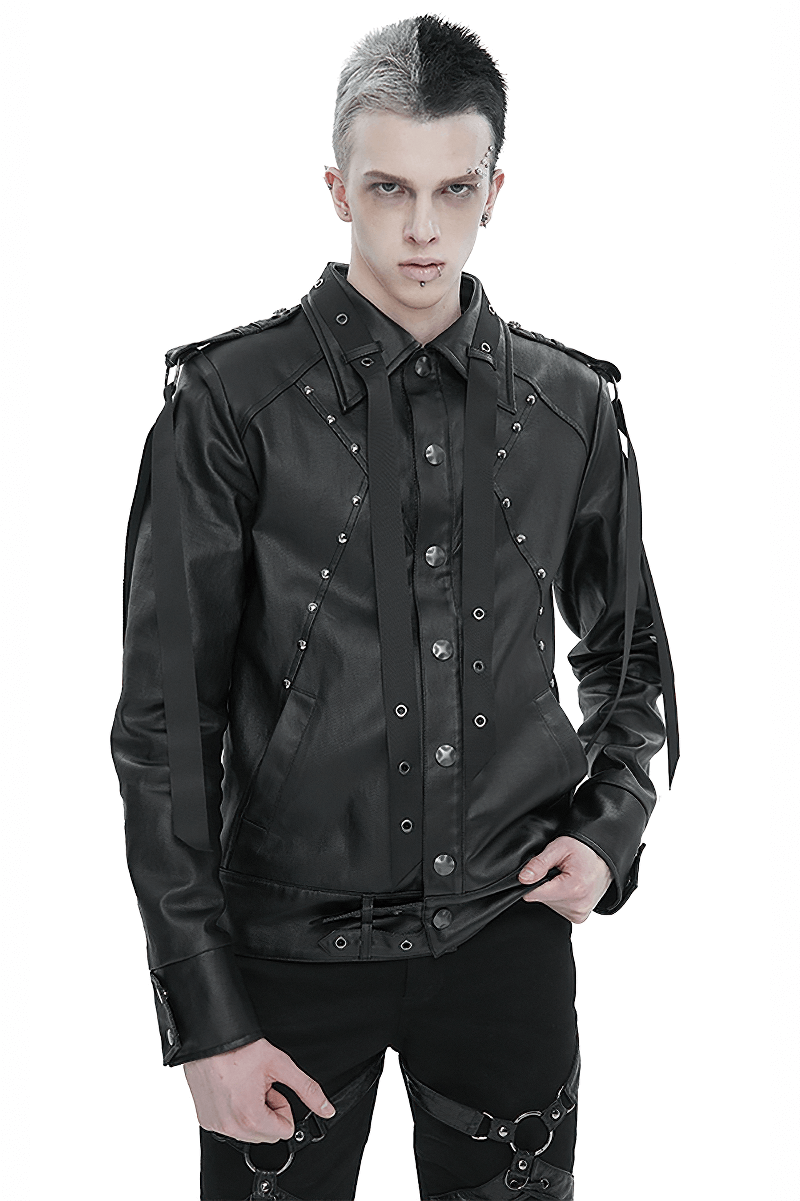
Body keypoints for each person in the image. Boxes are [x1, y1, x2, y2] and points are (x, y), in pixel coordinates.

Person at [111, 14, 678, 1201]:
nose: (422, 228)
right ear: (336, 189)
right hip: (283, 958)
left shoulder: (571, 406)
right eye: (387, 188)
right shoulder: (228, 407)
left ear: (493, 192)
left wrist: (609, 828)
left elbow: (629, 659)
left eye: (452, 189)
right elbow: (165, 729)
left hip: (506, 942)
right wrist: (203, 1017)